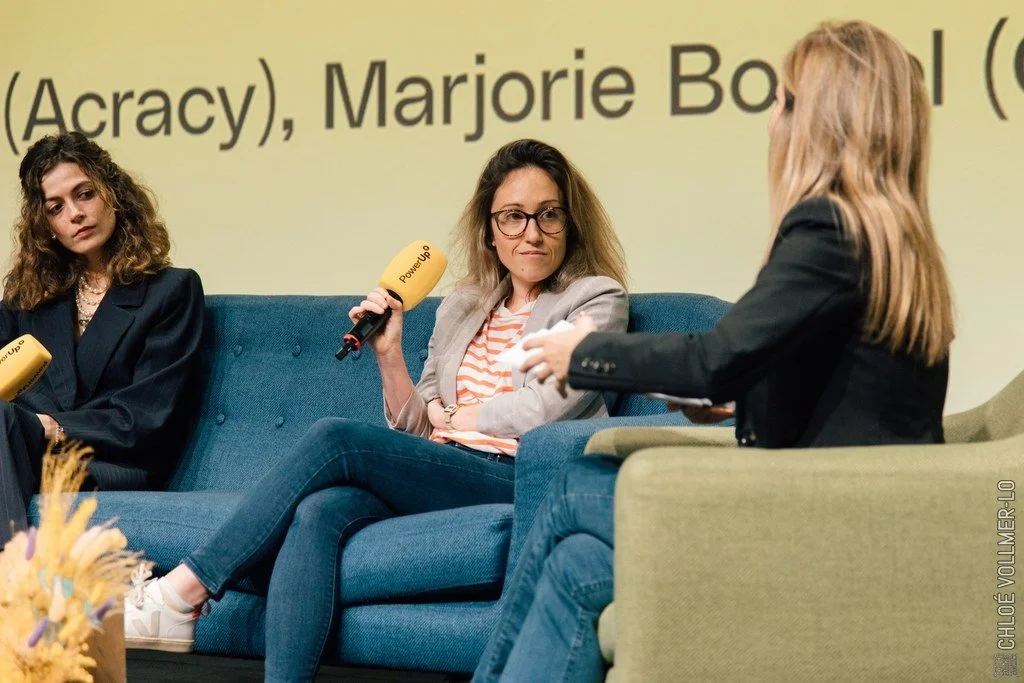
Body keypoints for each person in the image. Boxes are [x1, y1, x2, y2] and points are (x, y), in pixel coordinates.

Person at [473, 20, 955, 682]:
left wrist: (581, 352)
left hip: (814, 528)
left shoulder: (828, 231)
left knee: (570, 490)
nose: (770, 120)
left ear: (825, 122)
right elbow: (851, 399)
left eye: (784, 100)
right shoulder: (893, 242)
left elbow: (715, 355)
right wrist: (739, 403)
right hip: (862, 518)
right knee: (579, 565)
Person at [124, 138, 630, 679]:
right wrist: (389, 354)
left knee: (337, 438)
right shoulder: (463, 306)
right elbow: (417, 424)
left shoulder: (595, 299)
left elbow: (547, 409)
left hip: (518, 477)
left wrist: (462, 418)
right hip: (443, 466)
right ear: (489, 229)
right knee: (320, 511)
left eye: (548, 215)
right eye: (513, 217)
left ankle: (181, 592)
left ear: (569, 223)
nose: (531, 232)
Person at [0, 132, 205, 546]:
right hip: (22, 448)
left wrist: (53, 428)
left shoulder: (171, 291)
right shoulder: (29, 297)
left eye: (85, 194)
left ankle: (14, 584)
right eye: (56, 207)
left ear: (113, 193)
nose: (75, 214)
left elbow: (144, 420)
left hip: (111, 461)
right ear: (47, 227)